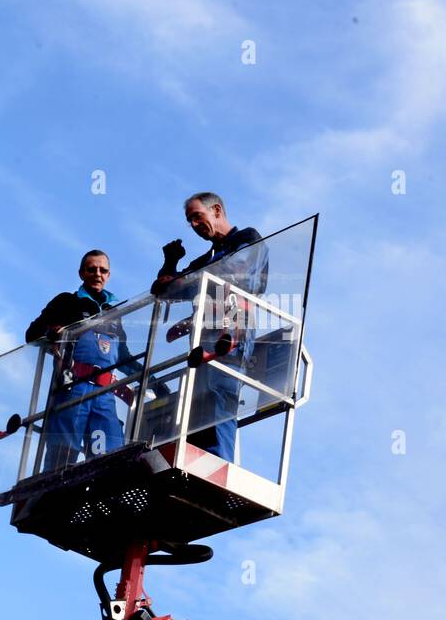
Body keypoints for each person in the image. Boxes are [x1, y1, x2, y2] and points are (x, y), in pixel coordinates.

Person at [151, 192, 267, 462]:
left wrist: (189, 280)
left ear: (216, 210)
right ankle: (196, 462)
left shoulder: (247, 239)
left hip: (231, 334)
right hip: (201, 341)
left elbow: (235, 272)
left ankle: (218, 463)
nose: (193, 225)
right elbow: (164, 291)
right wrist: (171, 263)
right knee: (197, 405)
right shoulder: (206, 259)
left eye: (197, 217)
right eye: (189, 221)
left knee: (219, 398)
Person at [26, 250, 129, 471]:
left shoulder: (114, 311)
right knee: (63, 451)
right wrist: (51, 330)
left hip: (105, 393)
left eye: (103, 270)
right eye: (91, 269)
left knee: (110, 452)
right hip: (73, 386)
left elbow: (124, 356)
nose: (97, 274)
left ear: (109, 275)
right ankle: (52, 494)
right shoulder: (67, 302)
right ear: (81, 273)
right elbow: (32, 334)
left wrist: (156, 381)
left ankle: (104, 493)